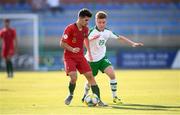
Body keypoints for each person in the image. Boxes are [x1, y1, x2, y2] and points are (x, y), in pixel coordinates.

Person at [82, 11, 144, 104]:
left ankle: (115, 97)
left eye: (103, 22)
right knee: (90, 81)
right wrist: (92, 39)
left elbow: (119, 37)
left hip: (102, 58)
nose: (101, 24)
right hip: (91, 60)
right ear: (95, 21)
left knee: (112, 74)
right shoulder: (91, 32)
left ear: (105, 22)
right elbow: (84, 41)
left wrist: (132, 43)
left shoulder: (107, 32)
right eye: (99, 22)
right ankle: (85, 94)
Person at [60, 8, 107, 106]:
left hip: (81, 57)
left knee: (91, 77)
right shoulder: (70, 28)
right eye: (86, 20)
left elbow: (86, 39)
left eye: (88, 20)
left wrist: (89, 51)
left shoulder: (86, 29)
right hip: (69, 57)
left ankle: (98, 100)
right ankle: (71, 94)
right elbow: (62, 43)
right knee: (73, 77)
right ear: (80, 18)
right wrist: (72, 49)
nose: (87, 22)